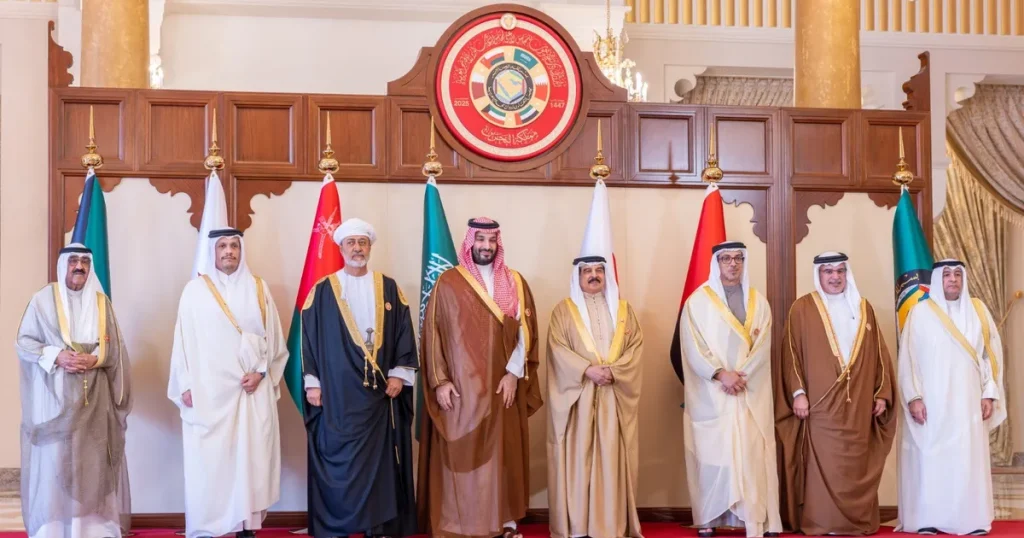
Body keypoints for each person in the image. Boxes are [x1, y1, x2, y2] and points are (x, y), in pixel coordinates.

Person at [417, 217, 543, 538]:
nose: (486, 246)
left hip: (502, 387)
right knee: (463, 454)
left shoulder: (514, 281)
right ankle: (460, 523)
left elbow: (525, 334)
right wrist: (440, 381)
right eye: (480, 240)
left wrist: (513, 374)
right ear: (469, 241)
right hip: (461, 390)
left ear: (498, 243)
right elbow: (433, 333)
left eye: (491, 240)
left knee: (503, 453)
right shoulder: (448, 282)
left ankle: (505, 521)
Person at [168, 228, 288, 538]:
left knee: (252, 459)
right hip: (209, 394)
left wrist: (261, 373)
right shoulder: (194, 291)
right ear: (213, 251)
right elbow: (182, 342)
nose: (229, 251)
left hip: (251, 391)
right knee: (212, 461)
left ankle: (247, 526)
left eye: (234, 245)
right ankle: (209, 527)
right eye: (222, 246)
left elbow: (274, 341)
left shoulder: (258, 288)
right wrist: (185, 384)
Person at [302, 218, 418, 538]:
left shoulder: (389, 288)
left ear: (370, 248)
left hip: (380, 394)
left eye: (362, 243)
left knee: (380, 462)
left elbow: (404, 335)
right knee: (340, 458)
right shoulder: (323, 290)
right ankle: (339, 525)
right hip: (337, 394)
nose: (357, 248)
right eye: (351, 243)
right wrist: (312, 382)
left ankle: (377, 526)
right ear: (340, 248)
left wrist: (399, 375)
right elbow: (308, 339)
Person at [774, 252, 896, 536]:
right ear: (819, 274)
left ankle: (856, 522)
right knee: (824, 464)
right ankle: (823, 522)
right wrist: (798, 393)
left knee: (856, 462)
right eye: (828, 271)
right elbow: (790, 354)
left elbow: (880, 354)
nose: (835, 277)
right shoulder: (802, 308)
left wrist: (881, 393)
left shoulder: (864, 308)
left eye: (840, 271)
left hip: (859, 405)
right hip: (819, 405)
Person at [16, 243, 132, 538]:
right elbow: (24, 342)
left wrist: (96, 359)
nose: (79, 266)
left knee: (93, 461)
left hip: (96, 399)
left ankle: (94, 529)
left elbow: (116, 349)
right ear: (62, 265)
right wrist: (58, 355)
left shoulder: (102, 303)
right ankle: (54, 528)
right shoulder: (42, 300)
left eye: (84, 261)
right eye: (73, 261)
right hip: (55, 400)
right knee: (56, 461)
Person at [895, 260, 1005, 537]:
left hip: (968, 401)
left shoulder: (978, 312)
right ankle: (929, 519)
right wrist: (914, 397)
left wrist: (989, 393)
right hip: (931, 403)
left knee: (967, 459)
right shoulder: (920, 313)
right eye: (946, 275)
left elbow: (990, 357)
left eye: (957, 274)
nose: (953, 279)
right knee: (931, 458)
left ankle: (971, 520)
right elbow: (908, 359)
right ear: (936, 279)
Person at [679, 241, 780, 538]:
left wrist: (740, 376)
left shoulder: (758, 302)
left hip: (748, 390)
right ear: (716, 263)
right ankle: (710, 518)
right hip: (713, 393)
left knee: (751, 454)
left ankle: (755, 519)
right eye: (726, 259)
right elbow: (692, 346)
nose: (733, 264)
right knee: (715, 456)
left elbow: (763, 346)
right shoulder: (697, 303)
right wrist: (721, 375)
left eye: (738, 258)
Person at [547, 255, 644, 538]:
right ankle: (578, 526)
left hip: (614, 395)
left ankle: (611, 525)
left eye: (599, 270)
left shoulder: (623, 310)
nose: (593, 275)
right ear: (577, 277)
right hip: (578, 398)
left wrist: (615, 371)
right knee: (579, 459)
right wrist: (587, 370)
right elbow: (557, 349)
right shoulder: (563, 311)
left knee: (611, 458)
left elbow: (635, 347)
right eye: (587, 271)